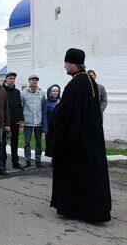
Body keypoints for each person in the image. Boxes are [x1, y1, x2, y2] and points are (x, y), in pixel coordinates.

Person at [50, 48, 111, 223]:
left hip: (76, 142)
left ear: (74, 65)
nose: (64, 66)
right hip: (89, 139)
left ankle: (75, 209)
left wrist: (55, 112)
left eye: (66, 64)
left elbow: (65, 113)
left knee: (75, 173)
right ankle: (91, 209)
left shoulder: (76, 84)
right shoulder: (89, 81)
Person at [21, 75, 46, 168]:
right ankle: (27, 160)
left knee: (38, 142)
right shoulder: (23, 93)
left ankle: (38, 160)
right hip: (27, 122)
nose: (34, 81)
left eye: (36, 80)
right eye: (32, 80)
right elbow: (21, 106)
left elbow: (43, 106)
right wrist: (22, 120)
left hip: (38, 122)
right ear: (29, 81)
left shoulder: (42, 93)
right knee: (27, 142)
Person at [2, 72, 25, 170]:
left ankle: (15, 162)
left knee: (14, 142)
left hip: (15, 121)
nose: (12, 80)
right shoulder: (1, 91)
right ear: (6, 79)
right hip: (5, 121)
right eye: (10, 78)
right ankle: (2, 162)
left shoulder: (17, 92)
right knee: (3, 142)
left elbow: (19, 106)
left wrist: (21, 120)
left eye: (13, 78)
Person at [42, 84, 61, 157]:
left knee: (59, 143)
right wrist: (45, 128)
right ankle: (53, 159)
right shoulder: (47, 102)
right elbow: (44, 115)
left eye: (57, 91)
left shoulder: (61, 100)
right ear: (50, 92)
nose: (55, 92)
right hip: (51, 127)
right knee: (52, 143)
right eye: (53, 91)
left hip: (60, 127)